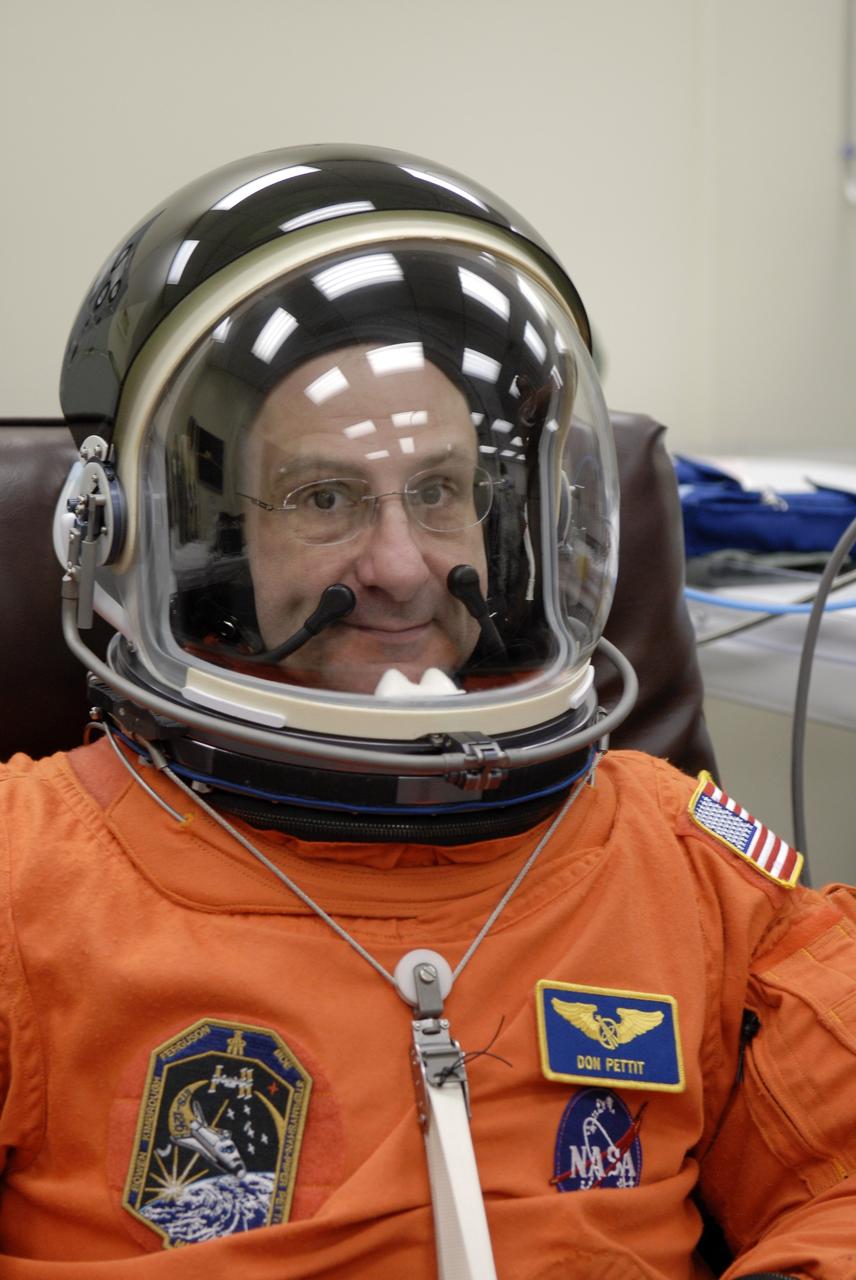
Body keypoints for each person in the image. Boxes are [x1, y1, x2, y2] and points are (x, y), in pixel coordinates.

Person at [0, 145, 854, 1280]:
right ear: (193, 541)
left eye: (439, 491)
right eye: (324, 498)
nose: (401, 565)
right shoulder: (28, 880)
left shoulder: (682, 866)